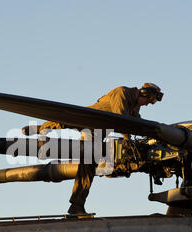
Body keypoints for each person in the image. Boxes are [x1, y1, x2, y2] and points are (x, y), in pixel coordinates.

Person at [22, 83, 163, 215]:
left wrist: (155, 134)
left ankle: (76, 205)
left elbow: (138, 123)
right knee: (64, 120)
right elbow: (122, 121)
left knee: (88, 165)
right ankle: (39, 128)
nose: (148, 105)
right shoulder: (122, 92)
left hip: (97, 133)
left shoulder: (135, 106)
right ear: (144, 93)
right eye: (149, 101)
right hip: (88, 118)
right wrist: (128, 140)